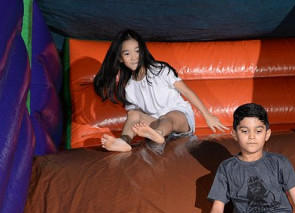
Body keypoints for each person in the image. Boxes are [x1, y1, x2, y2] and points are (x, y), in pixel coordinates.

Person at [93, 29, 227, 152]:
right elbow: (135, 118)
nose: (134, 57)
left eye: (137, 51)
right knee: (133, 114)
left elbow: (187, 91)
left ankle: (158, 134)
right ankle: (124, 141)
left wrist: (208, 116)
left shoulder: (160, 70)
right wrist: (137, 125)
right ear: (120, 59)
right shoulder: (129, 87)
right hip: (156, 123)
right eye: (127, 54)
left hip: (180, 120)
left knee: (167, 117)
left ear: (143, 51)